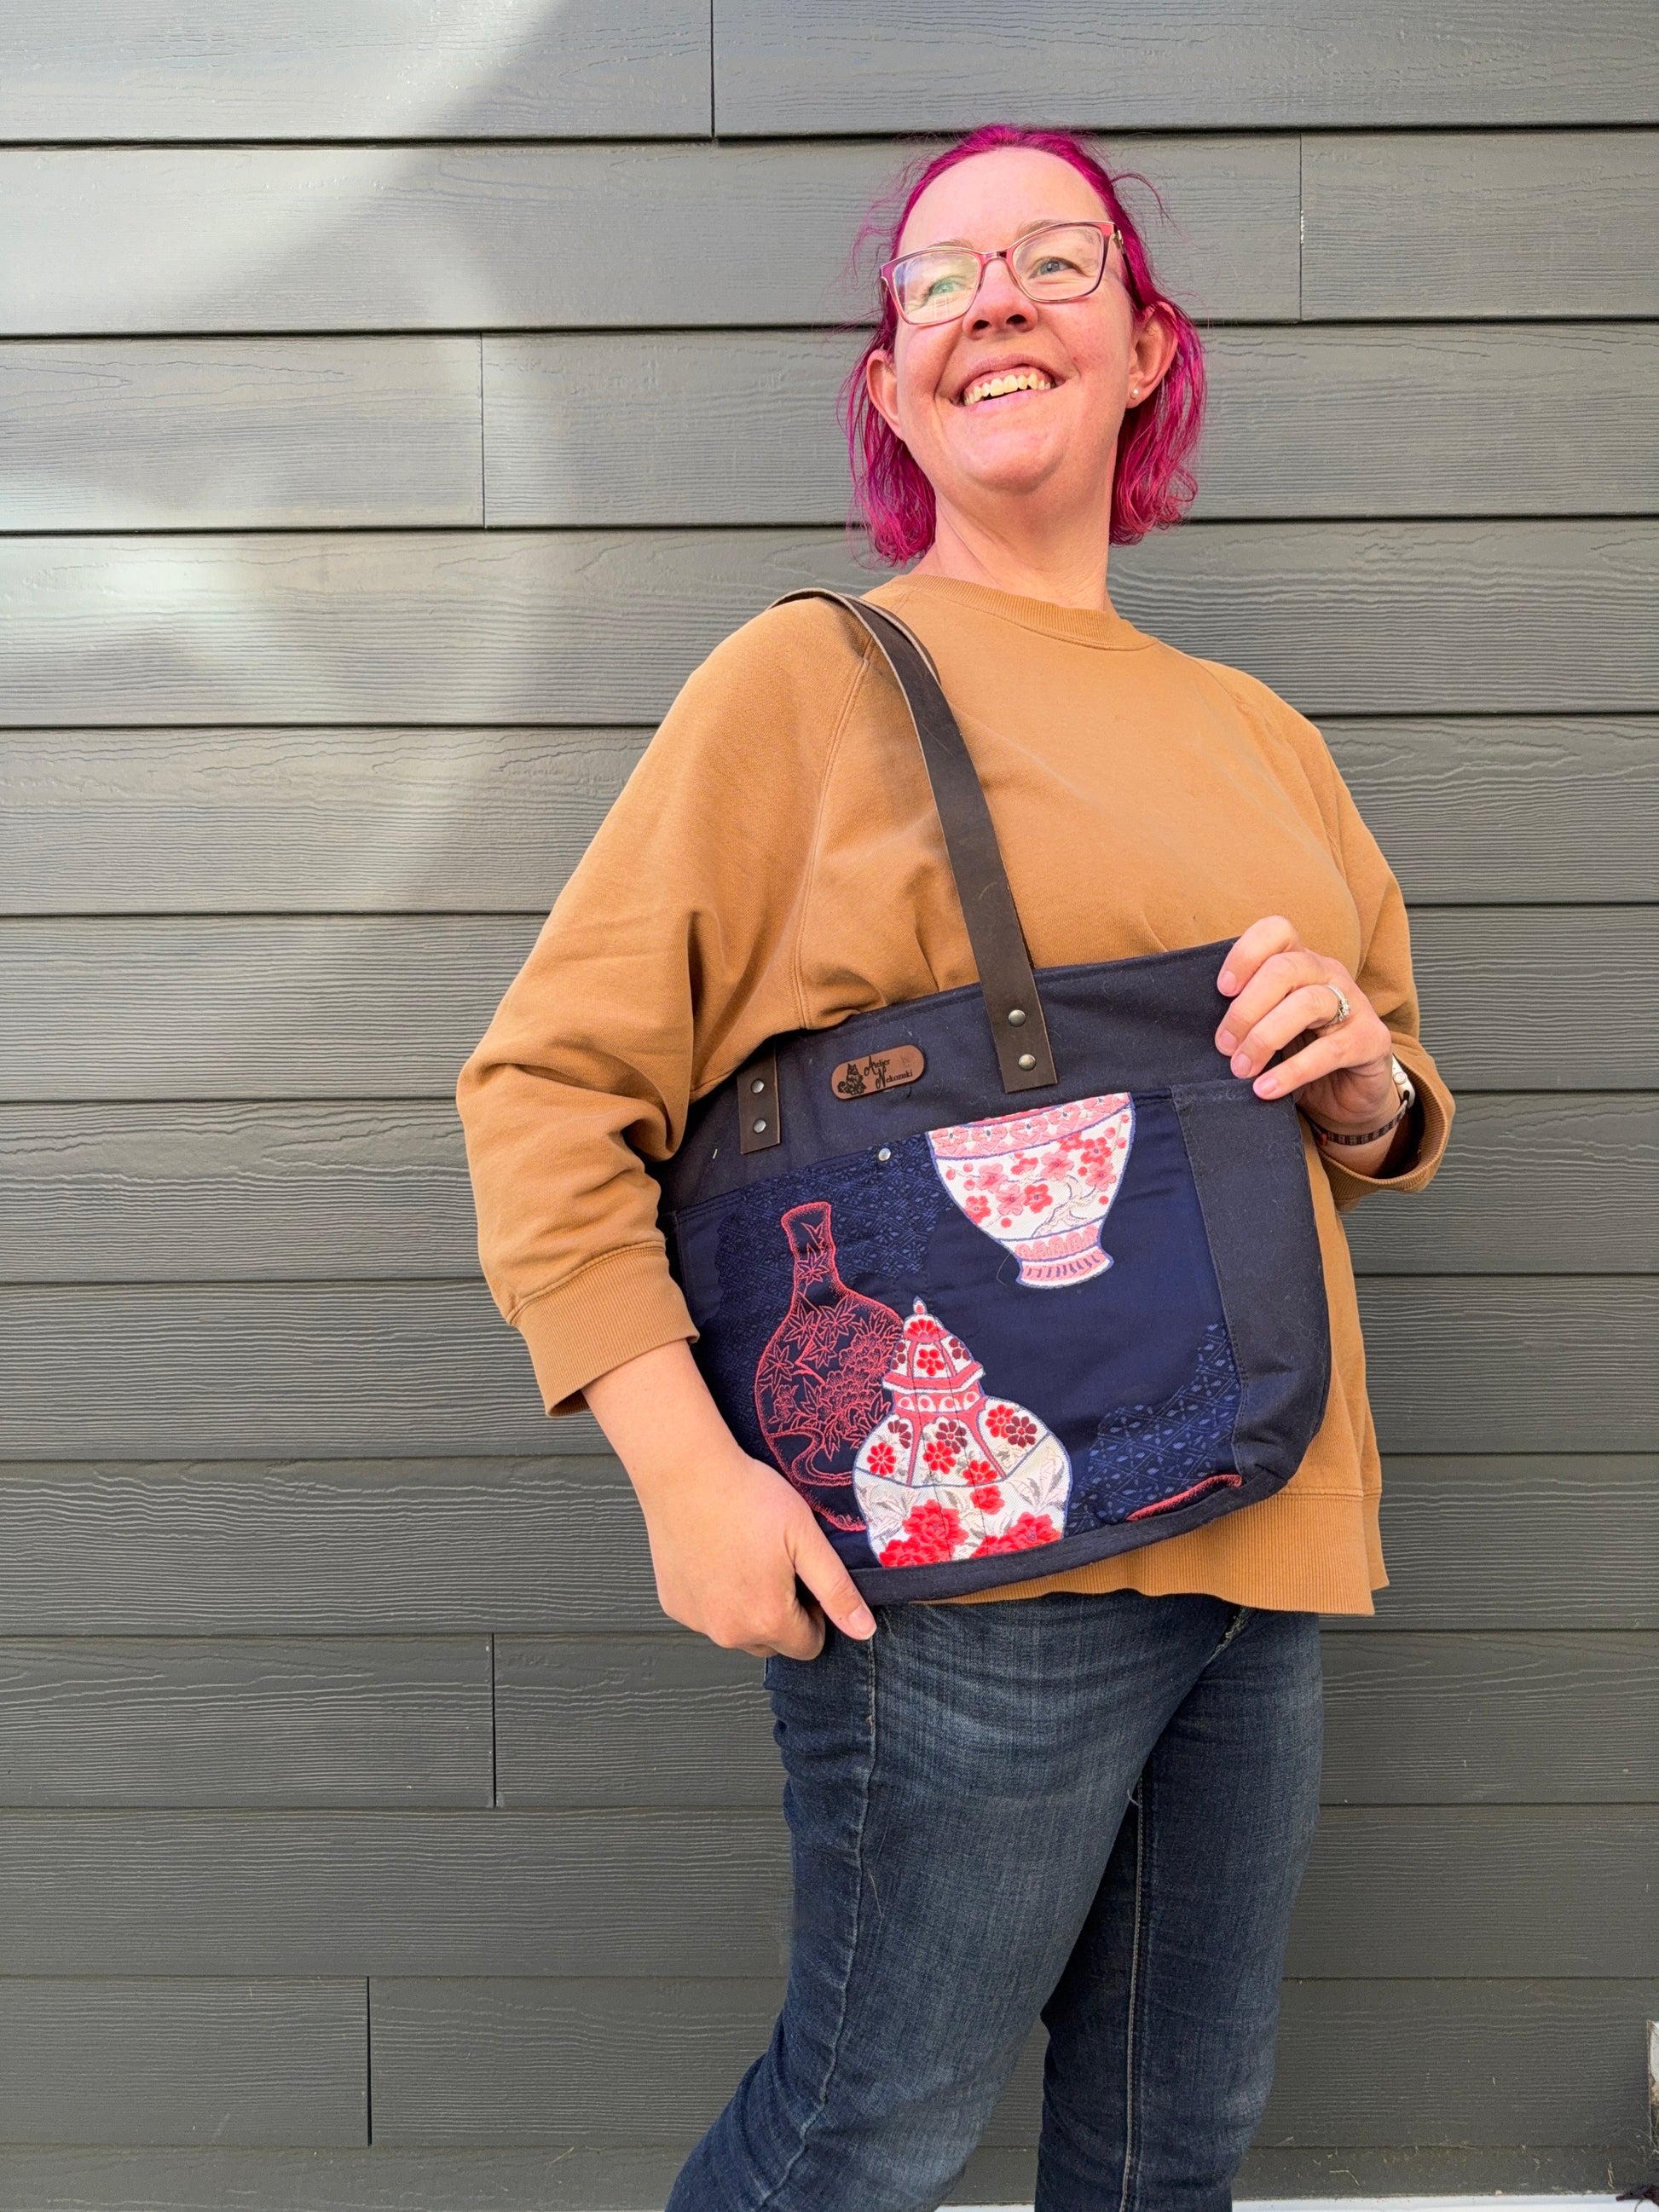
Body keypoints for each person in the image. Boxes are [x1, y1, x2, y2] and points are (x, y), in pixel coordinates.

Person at [457, 123, 1454, 2212]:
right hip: (972, 1563)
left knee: (1168, 2145)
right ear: (895, 388)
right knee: (862, 2136)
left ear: (1143, 347)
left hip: (1265, 1525)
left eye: (1055, 260)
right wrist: (681, 1468)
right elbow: (545, 1084)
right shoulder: (803, 680)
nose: (994, 298)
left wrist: (1367, 1087)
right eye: (938, 279)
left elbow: (1366, 1097)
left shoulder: (1256, 729)